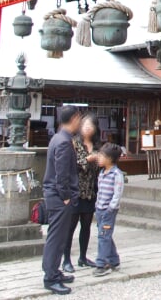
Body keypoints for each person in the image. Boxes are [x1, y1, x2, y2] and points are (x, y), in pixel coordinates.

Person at [41, 106, 81, 295]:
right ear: (73, 118)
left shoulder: (58, 137)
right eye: (79, 118)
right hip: (59, 197)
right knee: (56, 237)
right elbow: (61, 174)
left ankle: (54, 270)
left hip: (54, 194)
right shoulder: (64, 142)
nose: (80, 122)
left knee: (57, 236)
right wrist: (65, 196)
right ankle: (50, 277)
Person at [63, 115, 99, 272]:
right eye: (85, 125)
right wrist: (88, 160)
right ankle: (66, 260)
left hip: (90, 191)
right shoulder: (74, 143)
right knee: (70, 227)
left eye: (91, 125)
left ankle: (83, 257)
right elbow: (72, 164)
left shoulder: (97, 146)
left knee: (86, 226)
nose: (87, 128)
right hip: (76, 190)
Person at [92, 143, 124, 277]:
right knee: (105, 234)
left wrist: (111, 207)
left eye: (102, 156)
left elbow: (118, 193)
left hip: (108, 210)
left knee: (103, 236)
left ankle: (102, 263)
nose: (99, 158)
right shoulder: (102, 173)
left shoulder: (116, 174)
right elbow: (99, 191)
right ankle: (113, 260)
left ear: (110, 159)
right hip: (100, 207)